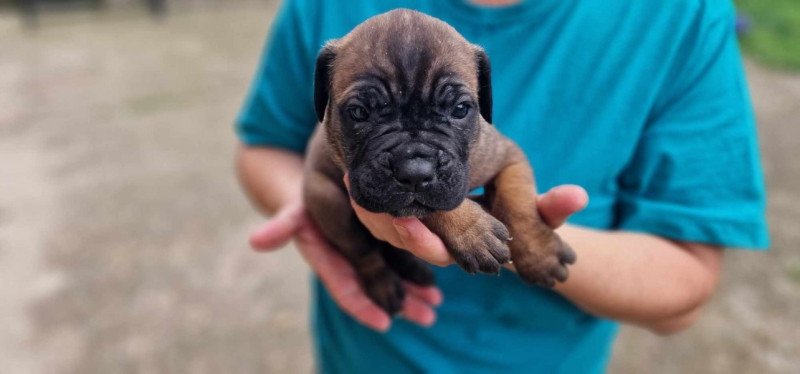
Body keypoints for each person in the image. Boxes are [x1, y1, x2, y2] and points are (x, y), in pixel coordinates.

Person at [235, 0, 769, 372]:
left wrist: (527, 235)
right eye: (362, 111)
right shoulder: (320, 15)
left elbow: (508, 160)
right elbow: (262, 147)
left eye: (456, 109)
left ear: (483, 98)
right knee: (327, 193)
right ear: (324, 95)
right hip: (362, 350)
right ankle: (376, 263)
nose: (417, 165)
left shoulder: (682, 18)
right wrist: (324, 223)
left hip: (550, 359)